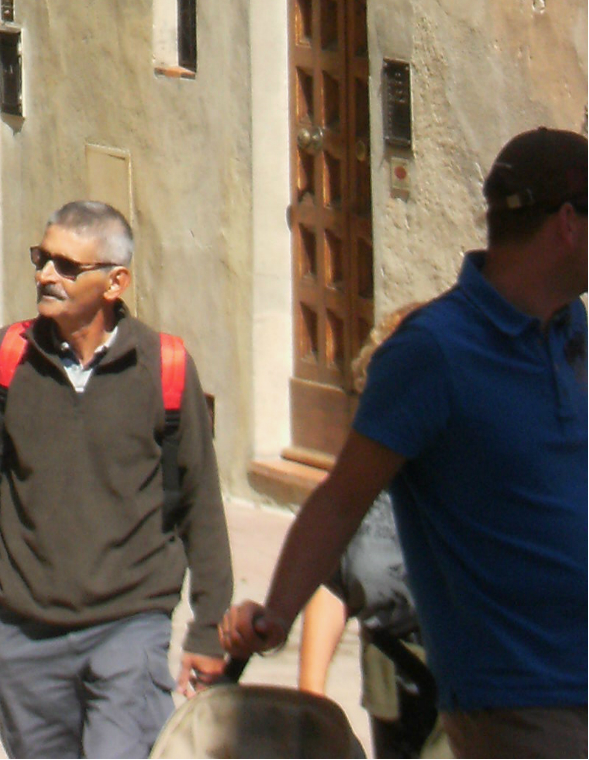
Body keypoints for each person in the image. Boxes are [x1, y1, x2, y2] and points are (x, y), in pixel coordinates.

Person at [225, 128, 587, 759]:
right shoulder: (433, 351)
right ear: (568, 223)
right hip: (521, 698)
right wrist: (277, 616)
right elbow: (342, 498)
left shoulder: (570, 328)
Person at [0, 198, 235, 757]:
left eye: (66, 266)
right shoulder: (6, 361)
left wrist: (208, 628)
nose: (45, 275)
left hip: (128, 628)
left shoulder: (165, 368)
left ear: (116, 283)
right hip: (25, 635)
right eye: (43, 258)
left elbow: (201, 506)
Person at [291, 307, 439, 760]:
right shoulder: (359, 486)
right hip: (391, 690)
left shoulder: (480, 479)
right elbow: (335, 582)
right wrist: (312, 697)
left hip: (473, 691)